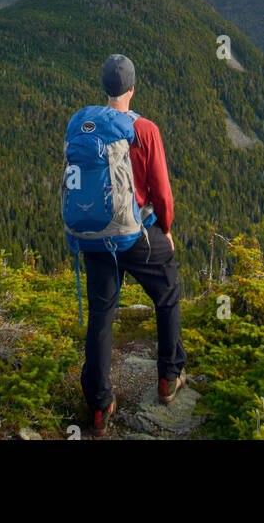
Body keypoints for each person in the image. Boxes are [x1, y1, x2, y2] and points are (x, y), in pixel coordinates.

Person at [80, 53, 187, 437]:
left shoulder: (88, 125)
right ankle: (168, 377)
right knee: (168, 291)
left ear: (105, 88)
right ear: (132, 88)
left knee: (101, 315)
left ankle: (98, 405)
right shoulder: (145, 129)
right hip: (136, 234)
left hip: (96, 236)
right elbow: (161, 191)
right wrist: (167, 230)